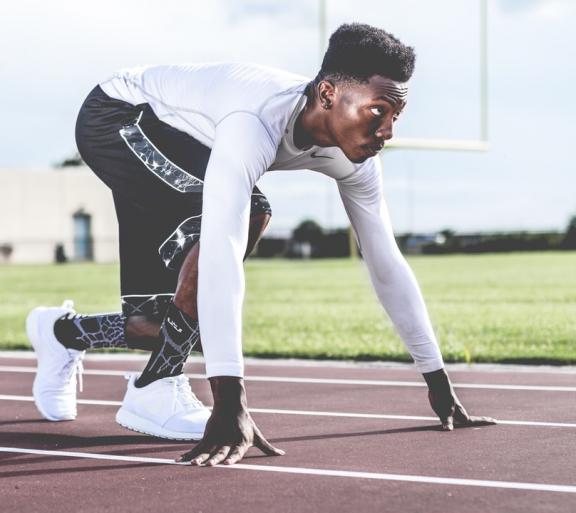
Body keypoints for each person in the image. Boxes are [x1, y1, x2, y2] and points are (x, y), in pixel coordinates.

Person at [27, 23, 495, 466]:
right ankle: (156, 385)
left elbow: (386, 263)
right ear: (328, 93)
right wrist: (229, 401)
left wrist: (438, 385)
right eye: (378, 110)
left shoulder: (357, 161)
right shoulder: (254, 121)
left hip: (185, 140)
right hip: (118, 117)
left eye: (396, 115)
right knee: (248, 213)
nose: (389, 130)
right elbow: (223, 250)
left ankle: (62, 333)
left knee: (156, 323)